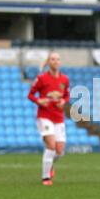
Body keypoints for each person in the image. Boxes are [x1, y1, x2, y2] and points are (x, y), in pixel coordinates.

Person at [28, 51, 70, 186]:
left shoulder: (64, 79)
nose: (55, 61)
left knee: (60, 151)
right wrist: (39, 101)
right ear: (48, 62)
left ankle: (50, 164)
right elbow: (31, 95)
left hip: (58, 117)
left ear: (60, 62)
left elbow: (67, 95)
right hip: (44, 116)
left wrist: (64, 101)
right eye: (52, 59)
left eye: (57, 59)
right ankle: (46, 177)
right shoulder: (41, 78)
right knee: (51, 146)